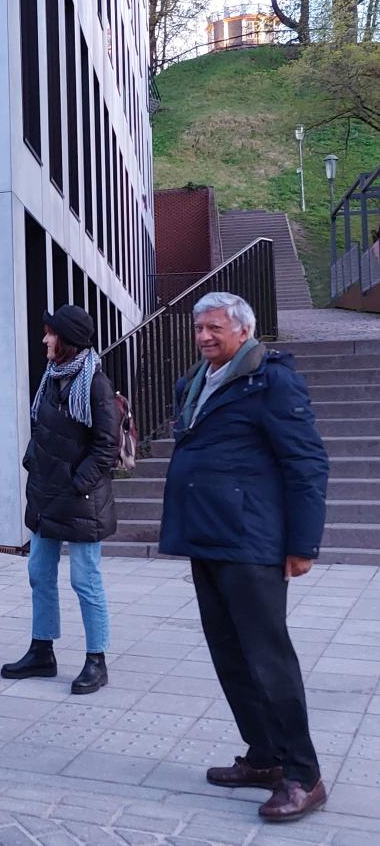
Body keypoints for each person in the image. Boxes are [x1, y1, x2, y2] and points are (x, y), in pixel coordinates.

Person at [159, 292, 329, 822]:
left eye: (214, 328)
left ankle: (304, 775)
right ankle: (265, 758)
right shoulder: (198, 380)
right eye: (199, 328)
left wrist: (303, 544)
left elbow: (307, 463)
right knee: (229, 657)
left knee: (268, 660)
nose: (205, 336)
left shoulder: (270, 380)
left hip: (251, 543)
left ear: (243, 330)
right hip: (207, 538)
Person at [2, 305, 119, 694]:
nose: (44, 340)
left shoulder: (95, 384)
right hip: (45, 496)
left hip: (80, 500)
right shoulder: (52, 378)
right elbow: (43, 428)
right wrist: (32, 460)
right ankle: (42, 651)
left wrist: (75, 483)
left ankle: (96, 660)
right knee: (39, 574)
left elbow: (107, 448)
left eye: (49, 333)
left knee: (85, 579)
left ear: (66, 339)